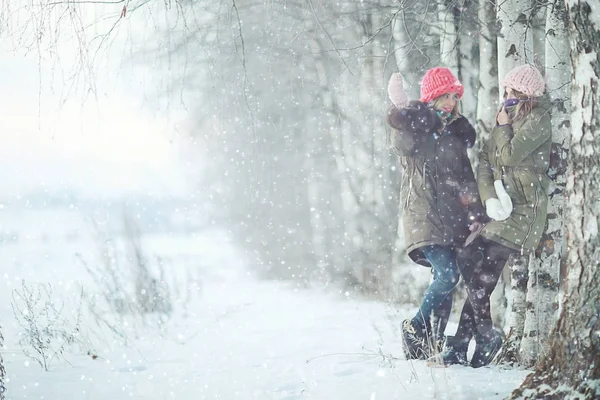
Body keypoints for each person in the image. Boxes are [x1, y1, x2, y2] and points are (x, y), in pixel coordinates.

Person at [439, 64, 552, 368]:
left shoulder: (539, 118)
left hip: (525, 212)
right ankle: (471, 341)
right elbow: (486, 161)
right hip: (502, 210)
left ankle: (474, 341)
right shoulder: (509, 114)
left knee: (481, 278)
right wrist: (490, 198)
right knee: (469, 261)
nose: (507, 96)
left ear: (527, 93)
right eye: (505, 91)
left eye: (512, 91)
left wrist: (502, 128)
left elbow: (509, 155)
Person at [386, 68, 485, 360]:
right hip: (423, 214)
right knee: (447, 275)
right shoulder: (416, 127)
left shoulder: (456, 132)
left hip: (452, 219)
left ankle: (434, 343)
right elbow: (400, 145)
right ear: (432, 97)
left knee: (444, 283)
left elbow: (466, 177)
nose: (450, 103)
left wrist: (476, 212)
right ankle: (414, 326)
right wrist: (402, 111)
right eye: (445, 96)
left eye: (454, 97)